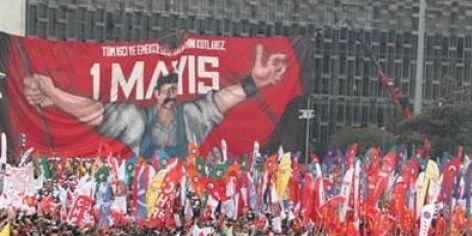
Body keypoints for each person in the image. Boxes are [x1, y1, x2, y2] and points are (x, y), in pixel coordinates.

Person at [22, 45, 288, 159]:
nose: (171, 98)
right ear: (157, 95)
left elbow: (220, 100)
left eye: (175, 92)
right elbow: (93, 112)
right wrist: (54, 93)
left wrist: (253, 82)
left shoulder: (191, 117)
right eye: (166, 92)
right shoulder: (136, 121)